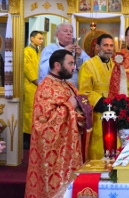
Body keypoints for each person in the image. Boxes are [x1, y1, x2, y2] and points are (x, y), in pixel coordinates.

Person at [25, 49, 85, 198]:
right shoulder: (45, 87)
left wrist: (82, 116)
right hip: (53, 154)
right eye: (70, 63)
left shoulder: (68, 85)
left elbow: (78, 109)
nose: (74, 67)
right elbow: (43, 122)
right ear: (57, 65)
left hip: (70, 147)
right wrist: (70, 107)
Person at [78, 33, 115, 160]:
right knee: (99, 147)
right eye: (105, 45)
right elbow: (84, 91)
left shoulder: (116, 65)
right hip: (98, 113)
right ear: (98, 47)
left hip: (116, 112)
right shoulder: (88, 65)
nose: (109, 48)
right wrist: (104, 103)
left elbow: (124, 86)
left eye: (111, 45)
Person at [38, 22, 90, 88]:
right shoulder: (50, 49)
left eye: (71, 32)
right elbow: (44, 70)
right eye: (65, 31)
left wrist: (80, 56)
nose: (69, 33)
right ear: (57, 35)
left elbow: (89, 67)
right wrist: (63, 53)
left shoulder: (78, 49)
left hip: (75, 87)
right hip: (56, 87)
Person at [23, 31, 44, 150]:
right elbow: (28, 69)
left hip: (39, 86)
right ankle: (27, 139)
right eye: (39, 38)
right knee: (29, 113)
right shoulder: (26, 51)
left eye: (42, 39)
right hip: (30, 86)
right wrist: (37, 82)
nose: (41, 41)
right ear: (32, 38)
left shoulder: (39, 52)